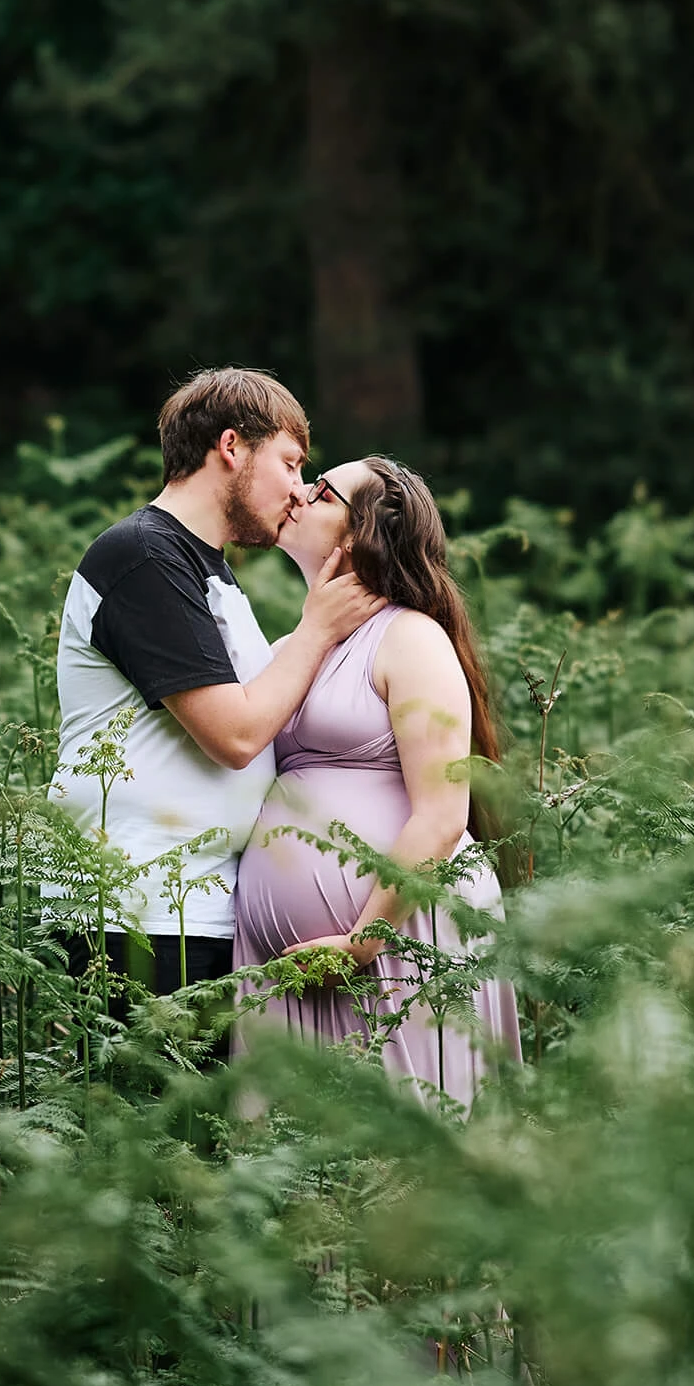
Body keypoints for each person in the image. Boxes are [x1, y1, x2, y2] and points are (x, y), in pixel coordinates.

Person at [50, 367, 380, 1010]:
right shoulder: (144, 557)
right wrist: (317, 628)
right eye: (290, 463)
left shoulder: (206, 568)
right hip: (137, 915)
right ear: (231, 446)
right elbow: (234, 735)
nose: (299, 489)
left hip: (192, 910)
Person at [231, 456, 521, 1106]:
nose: (298, 494)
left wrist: (362, 943)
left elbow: (442, 814)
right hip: (285, 967)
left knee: (409, 1145)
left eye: (322, 491)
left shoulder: (410, 638)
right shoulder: (288, 650)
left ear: (366, 531)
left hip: (397, 941)